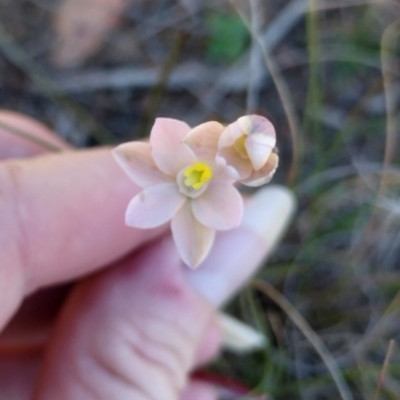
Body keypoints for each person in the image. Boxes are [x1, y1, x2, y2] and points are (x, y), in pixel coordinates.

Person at [0, 110, 294, 400]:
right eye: (195, 173)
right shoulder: (172, 158)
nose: (193, 178)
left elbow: (219, 216)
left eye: (198, 176)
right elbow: (134, 155)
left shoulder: (221, 189)